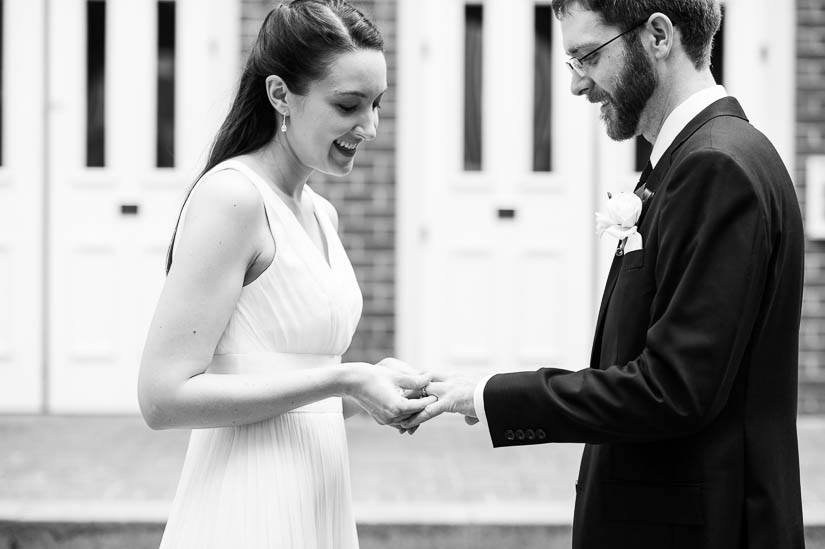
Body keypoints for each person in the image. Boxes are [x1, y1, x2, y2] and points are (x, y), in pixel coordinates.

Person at [402, 1, 806, 547]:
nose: (575, 85)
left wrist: (489, 396)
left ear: (658, 36)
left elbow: (672, 390)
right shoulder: (703, 158)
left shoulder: (716, 168)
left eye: (586, 56)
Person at [137, 1, 434, 547]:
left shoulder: (321, 211)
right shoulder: (233, 198)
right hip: (245, 505)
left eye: (376, 104)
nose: (368, 127)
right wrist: (343, 377)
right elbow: (162, 398)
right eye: (348, 105)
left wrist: (370, 389)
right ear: (280, 95)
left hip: (317, 497)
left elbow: (295, 394)